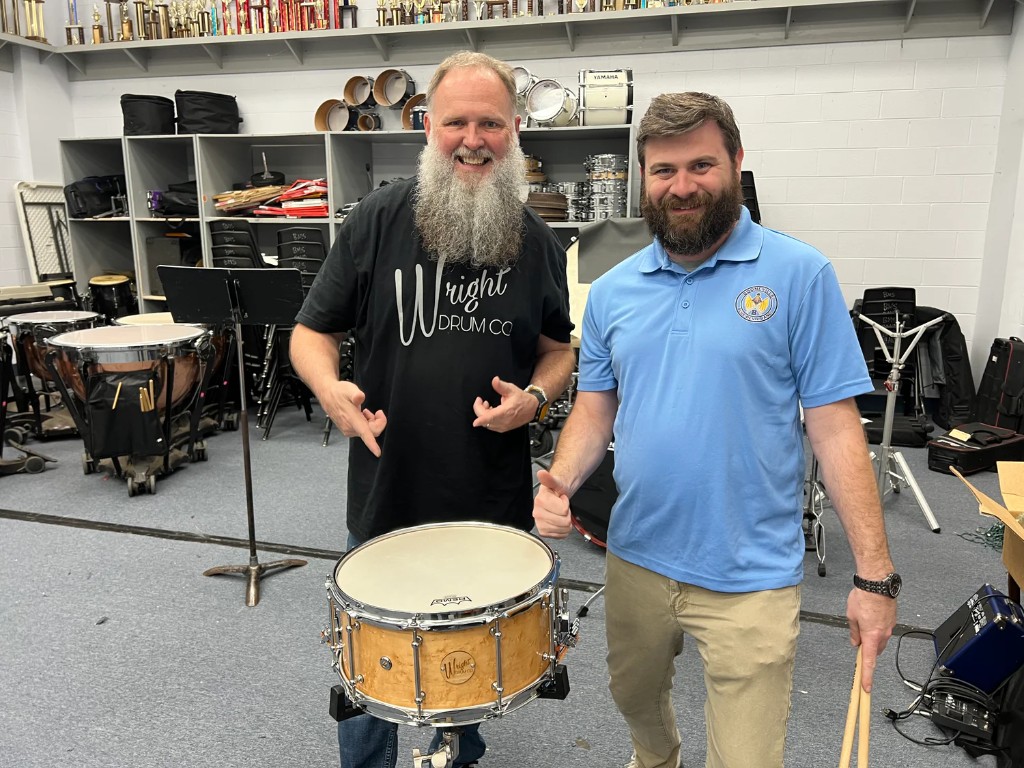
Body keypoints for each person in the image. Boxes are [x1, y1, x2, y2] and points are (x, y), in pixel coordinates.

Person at [532, 92, 898, 768]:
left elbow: (836, 429)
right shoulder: (613, 290)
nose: (682, 186)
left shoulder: (799, 275)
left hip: (750, 572)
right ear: (644, 178)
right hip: (636, 555)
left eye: (701, 165)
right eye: (664, 170)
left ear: (735, 162)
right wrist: (561, 480)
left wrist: (874, 578)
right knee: (634, 700)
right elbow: (595, 406)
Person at [289, 51, 575, 768]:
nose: (473, 140)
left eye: (491, 123)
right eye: (456, 123)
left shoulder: (537, 241)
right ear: (427, 127)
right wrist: (329, 388)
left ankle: (462, 747)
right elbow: (310, 333)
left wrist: (537, 398)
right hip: (389, 484)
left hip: (489, 490)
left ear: (514, 131)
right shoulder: (376, 221)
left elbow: (558, 350)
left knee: (472, 656)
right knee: (373, 667)